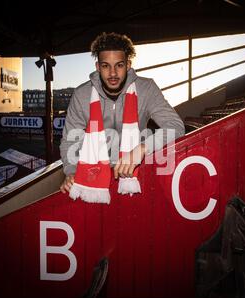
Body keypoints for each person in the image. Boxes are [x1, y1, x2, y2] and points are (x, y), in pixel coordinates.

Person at [60, 32, 185, 200]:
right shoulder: (82, 94)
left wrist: (142, 148)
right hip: (93, 179)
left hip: (136, 174)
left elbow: (176, 126)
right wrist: (72, 172)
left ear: (128, 65)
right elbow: (69, 140)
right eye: (106, 66)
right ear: (98, 67)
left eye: (119, 65)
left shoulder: (146, 89)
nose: (112, 73)